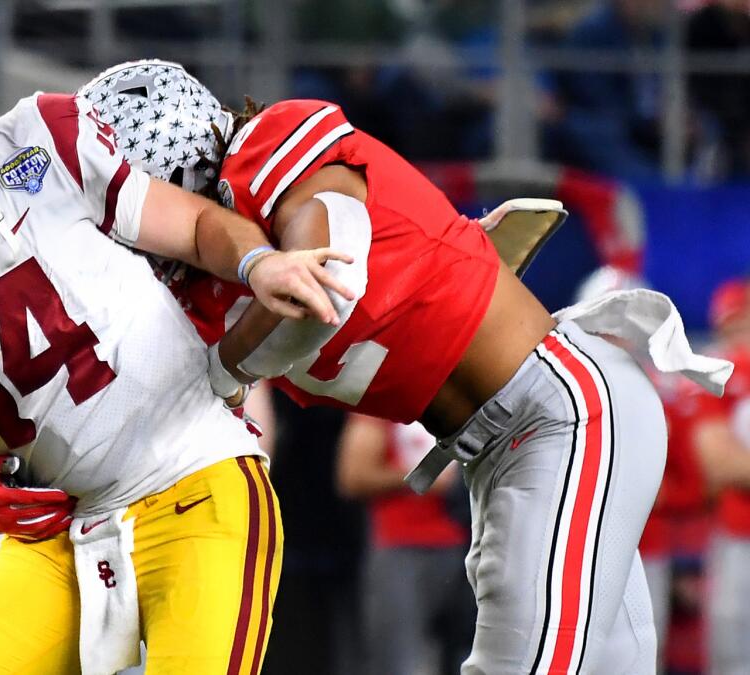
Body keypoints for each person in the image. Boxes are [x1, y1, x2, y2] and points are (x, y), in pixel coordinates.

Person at [58, 60, 731, 672]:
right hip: (501, 443)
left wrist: (215, 369)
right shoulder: (203, 295)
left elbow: (331, 265)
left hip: (560, 409)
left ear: (165, 157)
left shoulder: (266, 148)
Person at [0, 9, 351, 675]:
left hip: (195, 477)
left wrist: (260, 263)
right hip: (58, 532)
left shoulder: (44, 135)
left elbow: (198, 227)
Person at [337, 415, 474, 675]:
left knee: (468, 659)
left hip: (466, 541)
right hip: (402, 545)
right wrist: (424, 476)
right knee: (400, 662)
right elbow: (353, 474)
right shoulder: (383, 400)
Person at [691, 277, 750, 674]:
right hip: (738, 535)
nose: (738, 337)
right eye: (730, 327)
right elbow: (720, 464)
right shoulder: (720, 374)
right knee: (732, 656)